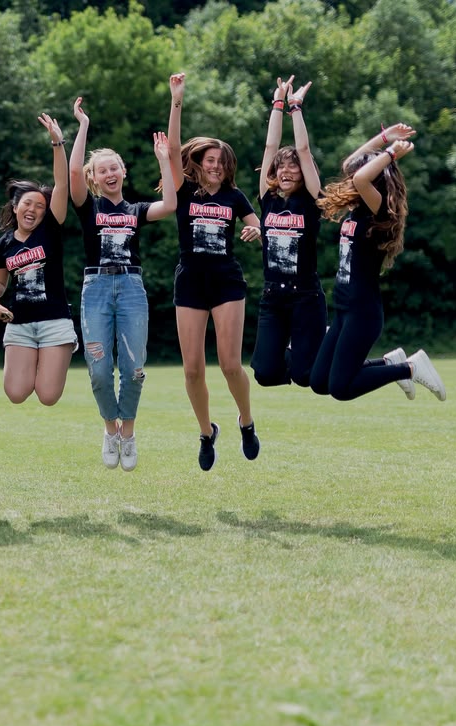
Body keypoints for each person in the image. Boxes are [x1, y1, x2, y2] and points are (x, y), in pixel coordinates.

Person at [68, 82, 181, 472]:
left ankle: (128, 434)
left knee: (134, 368)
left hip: (131, 287)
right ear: (95, 178)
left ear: (123, 172)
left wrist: (164, 159)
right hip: (96, 288)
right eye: (102, 170)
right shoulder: (88, 207)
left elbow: (170, 204)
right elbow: (72, 171)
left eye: (114, 167)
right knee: (99, 370)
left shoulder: (135, 211)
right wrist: (83, 125)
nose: (110, 173)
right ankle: (110, 428)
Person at [309, 125, 447, 403]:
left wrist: (391, 153)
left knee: (341, 389)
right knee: (319, 381)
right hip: (344, 309)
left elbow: (361, 176)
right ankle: (391, 363)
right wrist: (385, 138)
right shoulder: (358, 207)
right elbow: (351, 166)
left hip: (362, 312)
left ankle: (410, 368)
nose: (352, 179)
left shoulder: (379, 209)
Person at [170, 75, 265, 472]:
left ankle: (247, 421)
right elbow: (172, 149)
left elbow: (258, 225)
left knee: (229, 364)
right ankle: (206, 432)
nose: (215, 166)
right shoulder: (183, 191)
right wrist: (177, 101)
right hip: (191, 282)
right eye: (210, 160)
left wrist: (255, 230)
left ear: (228, 169)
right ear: (199, 163)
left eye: (222, 163)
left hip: (226, 281)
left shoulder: (234, 196)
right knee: (192, 369)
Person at [0, 114, 79, 409]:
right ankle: (35, 361)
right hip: (20, 324)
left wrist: (57, 143)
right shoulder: (5, 243)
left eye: (40, 206)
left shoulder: (50, 229)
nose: (34, 209)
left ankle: (50, 360)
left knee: (48, 396)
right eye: (28, 203)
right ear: (15, 207)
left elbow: (61, 184)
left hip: (54, 322)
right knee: (15, 394)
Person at [251, 76, 327, 390]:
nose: (285, 170)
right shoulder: (267, 199)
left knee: (306, 376)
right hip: (273, 297)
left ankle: (316, 345)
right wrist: (277, 103)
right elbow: (270, 146)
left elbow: (304, 150)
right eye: (281, 166)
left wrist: (295, 108)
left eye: (292, 166)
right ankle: (301, 347)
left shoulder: (311, 200)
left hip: (306, 296)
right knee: (265, 375)